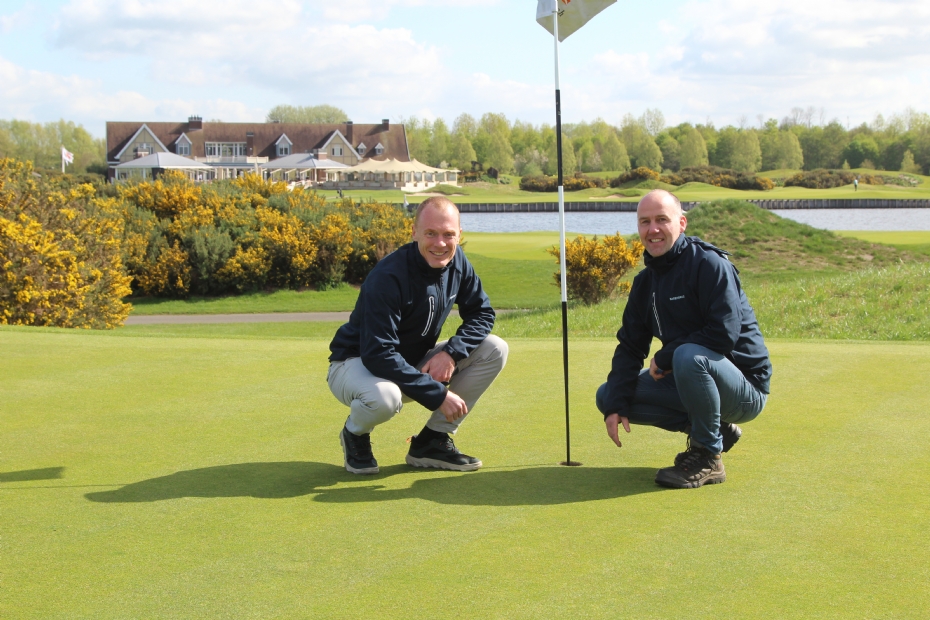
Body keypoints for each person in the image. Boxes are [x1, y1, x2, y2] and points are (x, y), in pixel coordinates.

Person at [595, 189, 772, 489]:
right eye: (645, 222)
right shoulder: (645, 283)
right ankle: (715, 430)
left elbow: (723, 334)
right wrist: (616, 404)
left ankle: (708, 457)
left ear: (682, 223)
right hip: (693, 378)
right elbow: (630, 346)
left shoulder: (710, 265)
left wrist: (664, 357)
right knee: (609, 395)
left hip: (745, 389)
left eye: (662, 219)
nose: (653, 229)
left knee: (688, 355)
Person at [327, 196, 508, 474]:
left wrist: (451, 353)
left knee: (494, 348)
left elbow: (482, 313)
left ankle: (432, 441)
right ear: (414, 233)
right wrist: (438, 395)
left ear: (459, 235)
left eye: (448, 234)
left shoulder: (458, 262)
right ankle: (355, 433)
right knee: (385, 398)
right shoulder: (388, 276)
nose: (440, 243)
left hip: (410, 365)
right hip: (355, 365)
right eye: (431, 233)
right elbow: (378, 354)